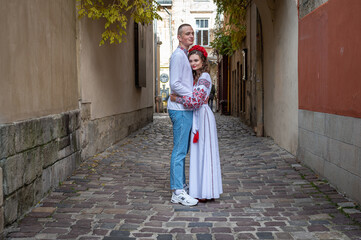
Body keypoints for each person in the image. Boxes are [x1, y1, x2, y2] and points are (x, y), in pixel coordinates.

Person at [170, 45, 223, 202]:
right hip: (196, 116)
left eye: (196, 60)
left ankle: (205, 191)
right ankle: (200, 189)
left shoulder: (205, 77)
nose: (193, 63)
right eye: (190, 60)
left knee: (204, 153)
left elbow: (196, 101)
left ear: (203, 61)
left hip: (203, 117)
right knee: (198, 154)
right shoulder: (195, 78)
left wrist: (176, 99)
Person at [167, 24, 198, 206]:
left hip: (184, 109)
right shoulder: (178, 56)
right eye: (187, 33)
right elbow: (175, 84)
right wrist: (193, 96)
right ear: (179, 37)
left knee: (183, 150)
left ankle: (181, 186)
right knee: (179, 151)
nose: (191, 36)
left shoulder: (186, 55)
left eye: (192, 33)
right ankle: (177, 191)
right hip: (179, 110)